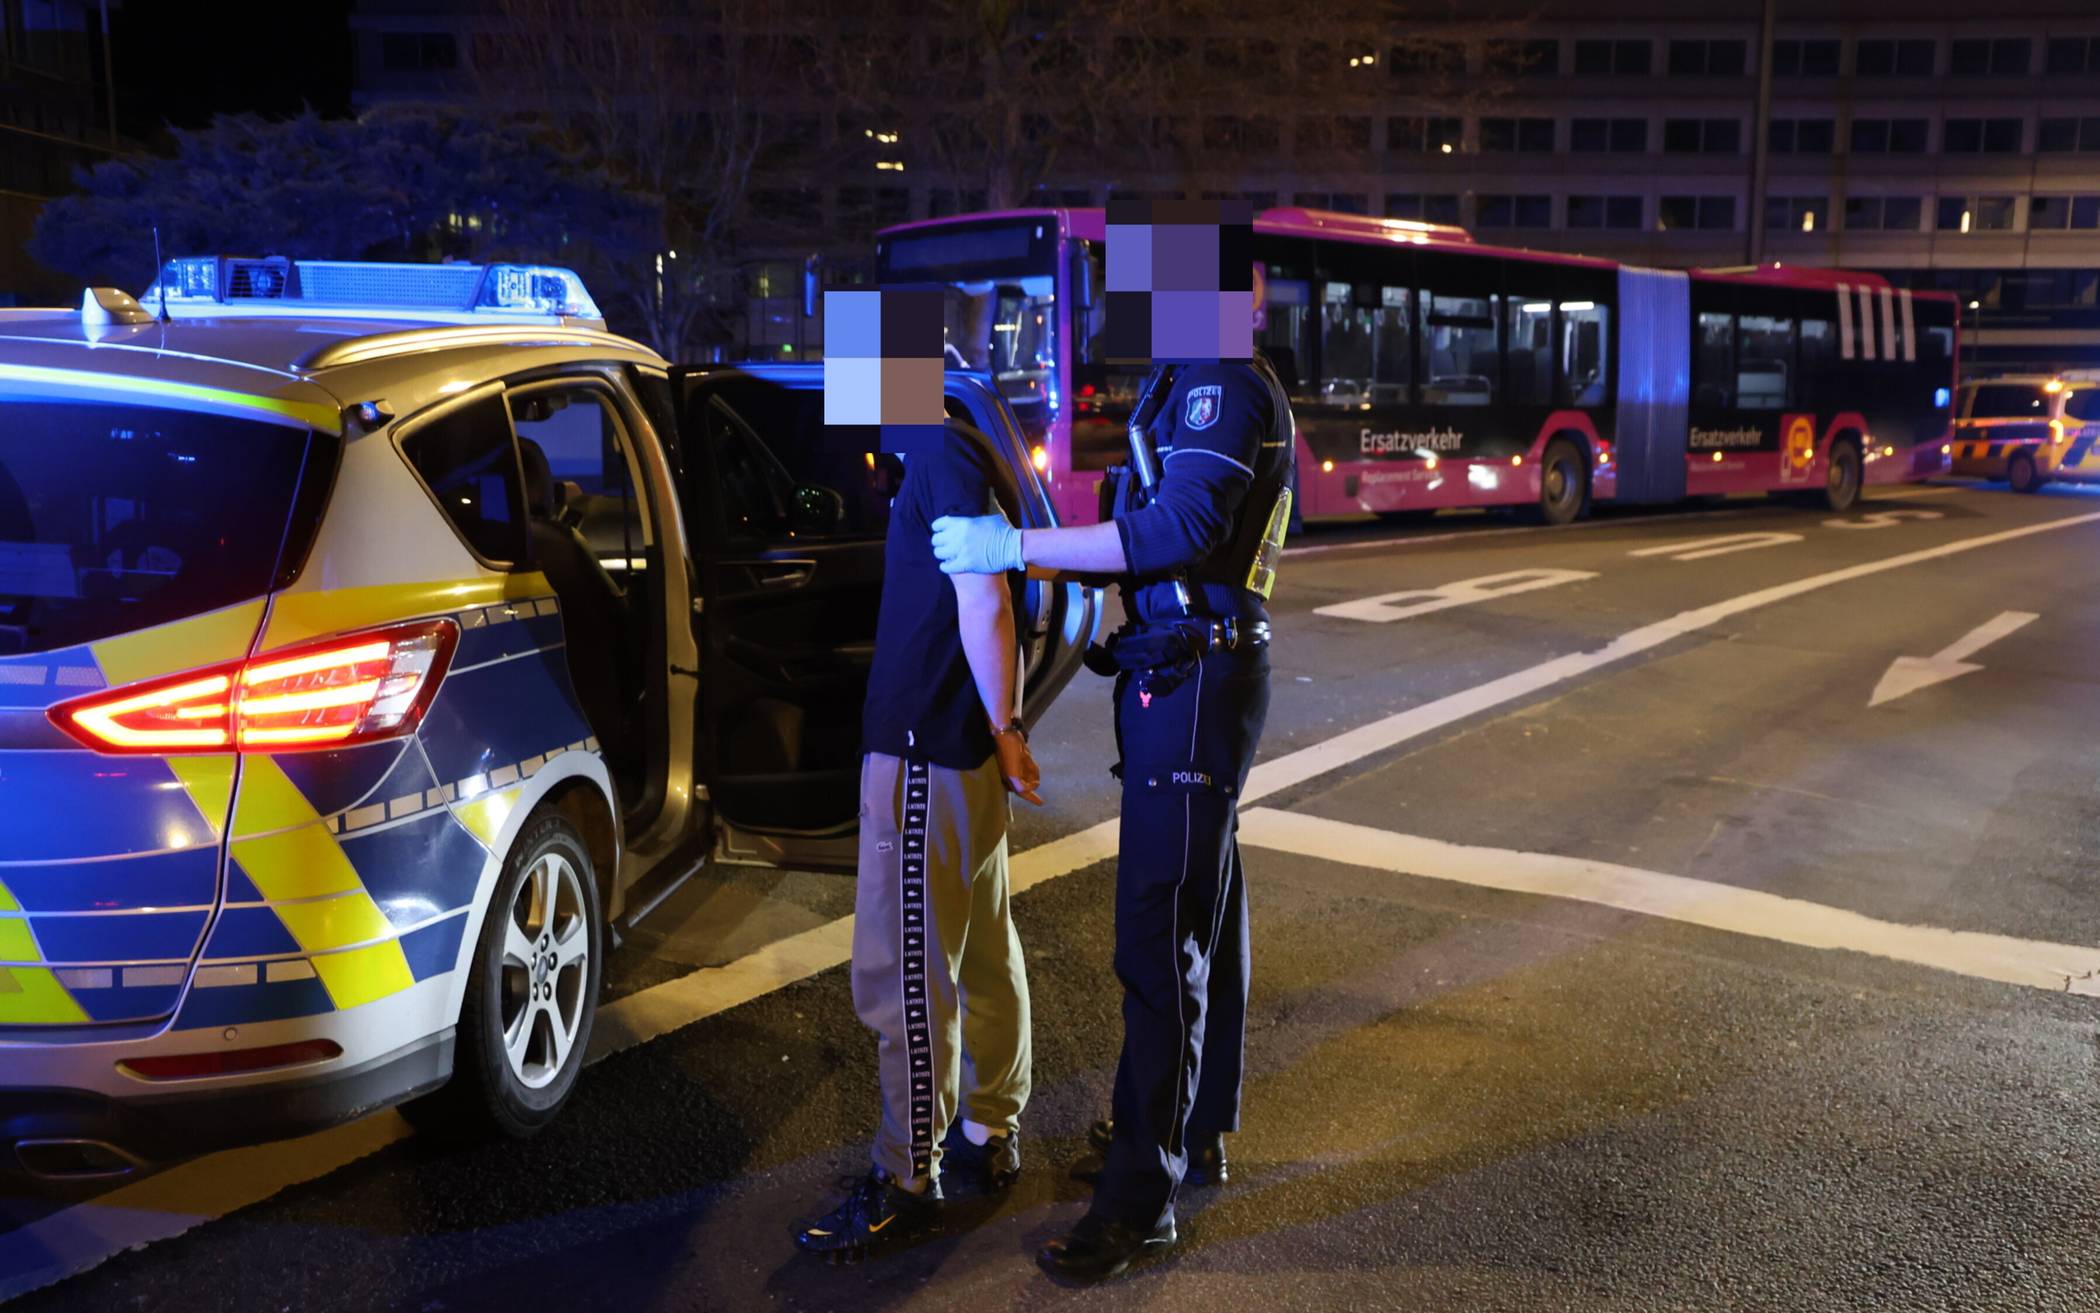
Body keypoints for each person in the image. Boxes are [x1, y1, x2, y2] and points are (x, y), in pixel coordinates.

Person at [931, 353, 1295, 1283]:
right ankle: (1190, 1130)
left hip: (1197, 674)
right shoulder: (1186, 379)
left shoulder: (1224, 382)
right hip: (1181, 665)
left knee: (1158, 933)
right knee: (1204, 913)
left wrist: (1010, 548)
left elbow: (1180, 524)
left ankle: (1141, 1202)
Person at [793, 419, 1044, 1261]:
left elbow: (985, 597)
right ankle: (987, 1127)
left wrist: (1007, 725)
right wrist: (998, 729)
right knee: (981, 947)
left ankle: (907, 1176)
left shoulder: (937, 452)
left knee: (906, 970)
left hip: (922, 755)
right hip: (955, 750)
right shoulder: (958, 448)